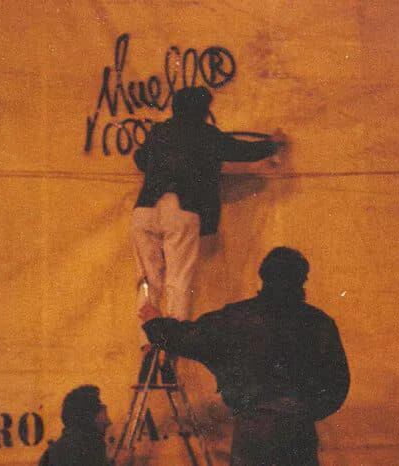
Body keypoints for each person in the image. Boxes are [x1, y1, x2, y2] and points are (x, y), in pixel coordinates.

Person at [139, 247, 350, 466]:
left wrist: (155, 323)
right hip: (299, 433)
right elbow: (337, 383)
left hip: (254, 431)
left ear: (263, 276)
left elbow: (189, 338)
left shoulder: (236, 319)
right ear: (302, 279)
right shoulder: (319, 324)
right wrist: (301, 413)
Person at [132, 86, 287, 352]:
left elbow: (139, 159)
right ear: (203, 110)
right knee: (178, 280)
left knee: (148, 278)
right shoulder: (206, 135)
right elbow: (242, 151)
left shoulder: (159, 131)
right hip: (182, 210)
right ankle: (171, 345)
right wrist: (272, 143)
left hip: (145, 209)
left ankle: (147, 343)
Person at [38, 385, 111, 466]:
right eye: (102, 413)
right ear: (88, 417)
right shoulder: (91, 451)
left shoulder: (52, 453)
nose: (108, 422)